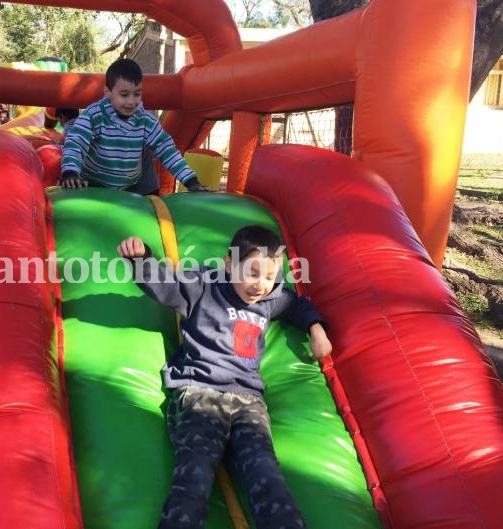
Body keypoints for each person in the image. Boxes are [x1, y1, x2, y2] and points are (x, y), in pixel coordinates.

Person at [117, 225, 332, 529]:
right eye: (252, 273)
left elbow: (296, 304)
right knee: (194, 477)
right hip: (199, 393)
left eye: (270, 277)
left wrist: (316, 329)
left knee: (267, 477)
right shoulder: (206, 284)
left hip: (249, 403)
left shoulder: (269, 298)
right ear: (229, 264)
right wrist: (141, 260)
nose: (261, 285)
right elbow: (166, 285)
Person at [61, 58, 208, 193]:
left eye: (137, 94)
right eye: (124, 95)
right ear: (108, 92)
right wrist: (70, 172)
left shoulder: (145, 121)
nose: (131, 102)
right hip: (94, 185)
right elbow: (76, 142)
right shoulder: (95, 115)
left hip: (128, 188)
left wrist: (191, 181)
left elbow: (166, 149)